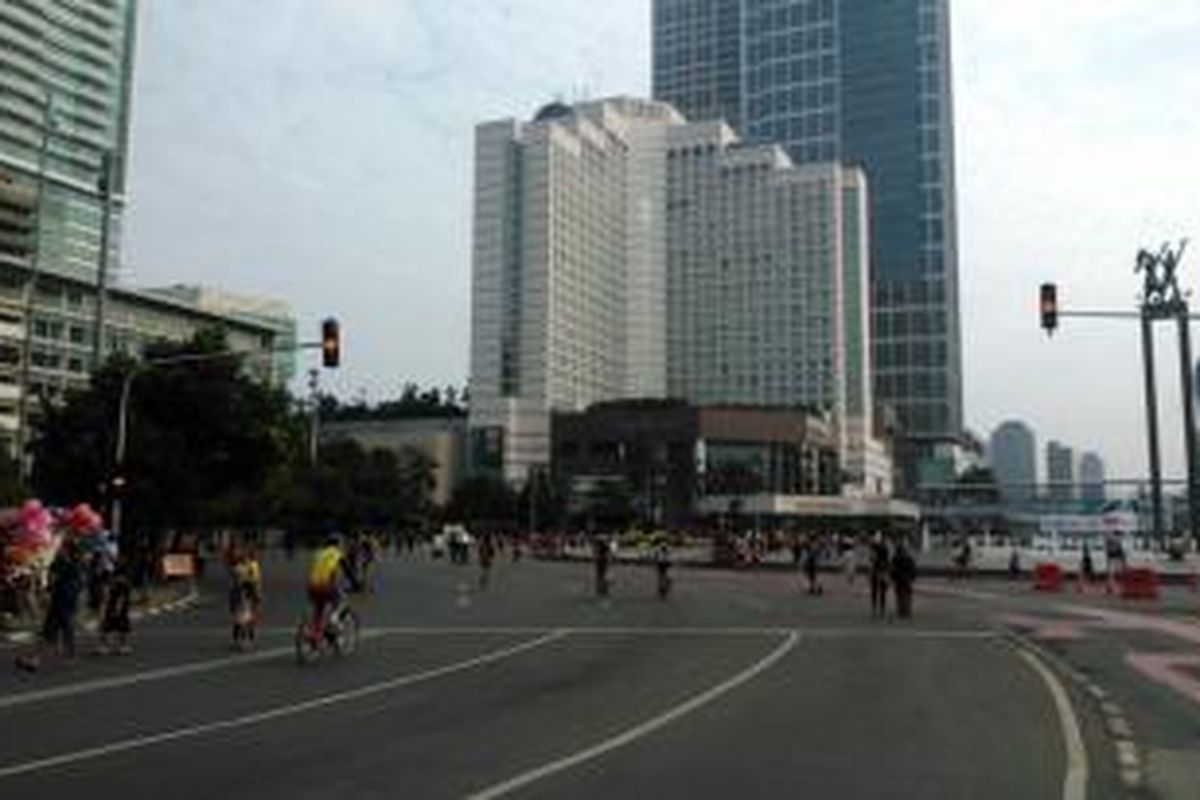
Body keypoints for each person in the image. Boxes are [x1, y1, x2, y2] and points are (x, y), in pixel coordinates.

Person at [16, 538, 84, 672]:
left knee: (51, 631)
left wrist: (45, 592)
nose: (59, 548)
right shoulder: (78, 563)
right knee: (64, 630)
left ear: (66, 549)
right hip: (68, 602)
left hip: (59, 601)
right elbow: (79, 584)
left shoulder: (61, 562)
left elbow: (52, 580)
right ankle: (61, 657)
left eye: (62, 547)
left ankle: (36, 660)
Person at [307, 534, 358, 637]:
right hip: (326, 585)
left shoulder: (320, 553)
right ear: (338, 544)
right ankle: (333, 623)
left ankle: (314, 633)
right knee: (339, 601)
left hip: (312, 585)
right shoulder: (336, 553)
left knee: (319, 608)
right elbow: (348, 571)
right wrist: (356, 584)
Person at [97, 562, 133, 655]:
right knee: (107, 626)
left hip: (117, 607)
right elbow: (106, 596)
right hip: (113, 606)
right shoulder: (112, 583)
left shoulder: (122, 583)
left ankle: (122, 646)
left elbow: (121, 597)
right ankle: (106, 646)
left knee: (121, 626)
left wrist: (117, 608)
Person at [231, 545, 262, 642]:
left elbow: (255, 580)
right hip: (245, 590)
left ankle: (241, 634)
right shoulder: (248, 566)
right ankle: (244, 633)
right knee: (244, 613)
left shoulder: (243, 566)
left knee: (245, 613)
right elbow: (255, 581)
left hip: (245, 590)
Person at [891, 540, 918, 619]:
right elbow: (913, 569)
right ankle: (907, 610)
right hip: (907, 578)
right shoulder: (909, 558)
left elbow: (893, 569)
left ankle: (901, 610)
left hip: (899, 578)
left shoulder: (895, 558)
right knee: (907, 595)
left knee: (899, 595)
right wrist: (913, 577)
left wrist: (893, 577)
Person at [869, 532, 891, 618]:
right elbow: (887, 560)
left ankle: (875, 609)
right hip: (882, 571)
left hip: (877, 570)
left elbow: (872, 559)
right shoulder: (884, 547)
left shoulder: (875, 548)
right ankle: (881, 610)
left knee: (875, 591)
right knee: (882, 592)